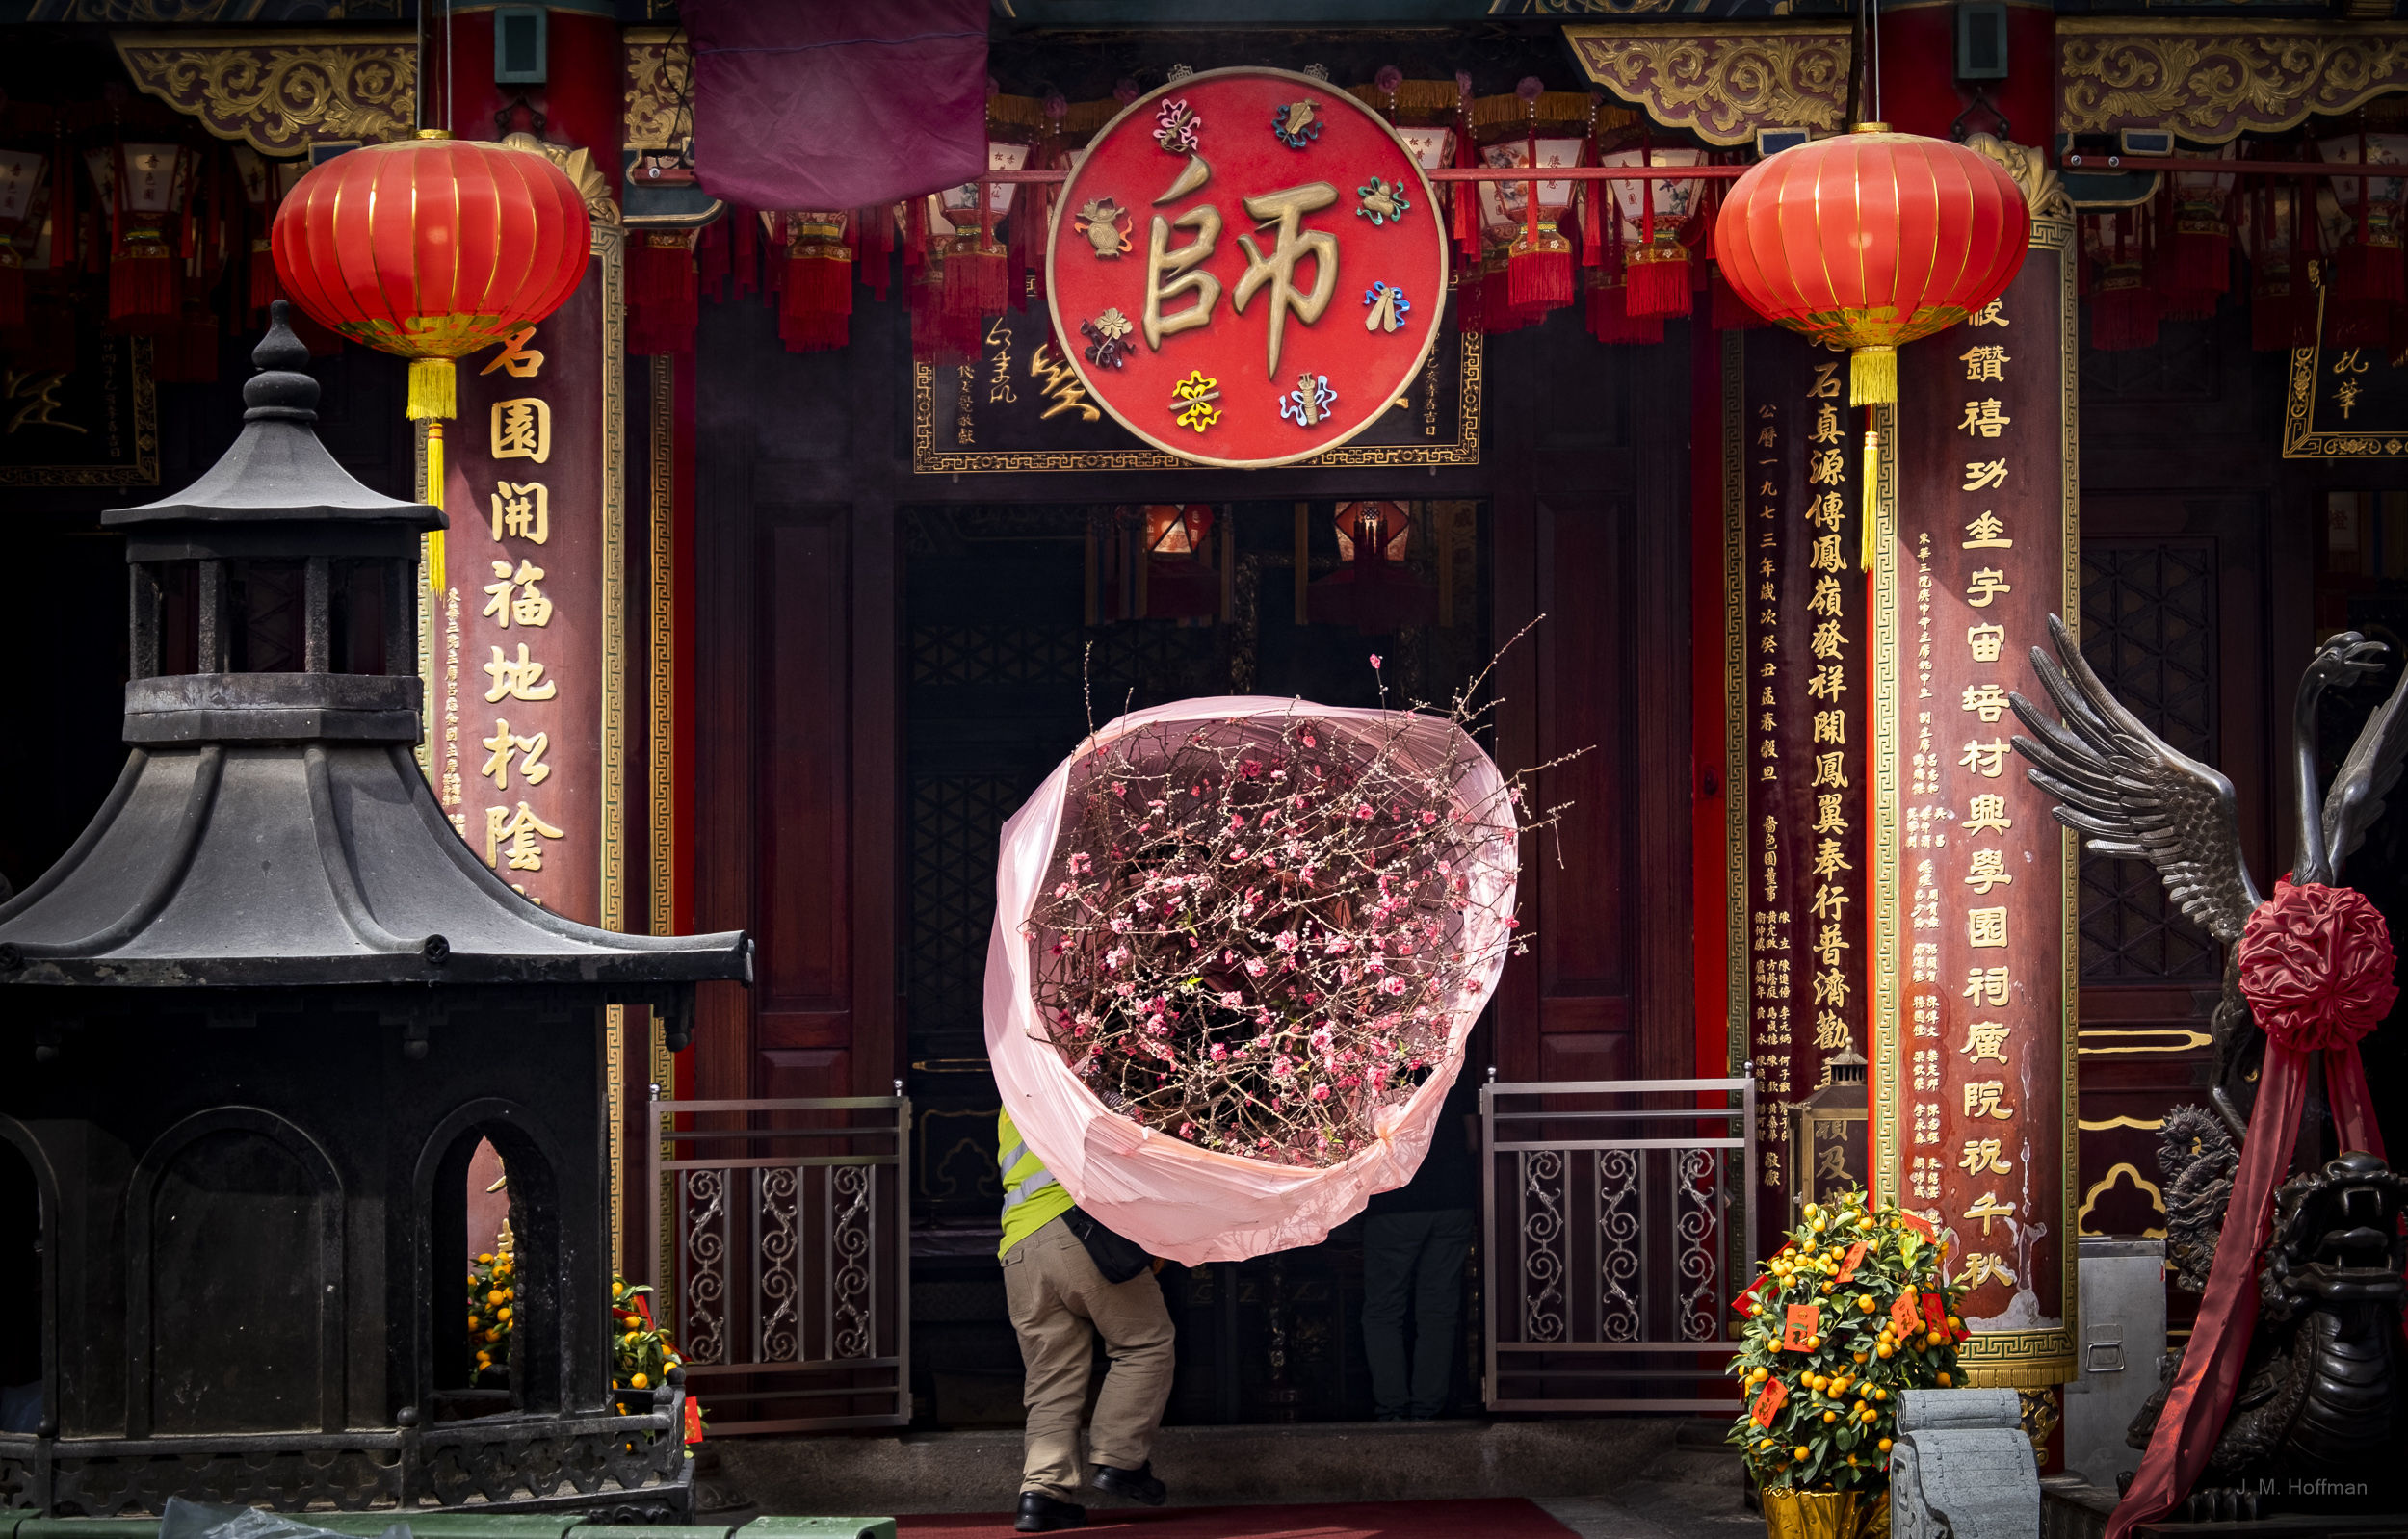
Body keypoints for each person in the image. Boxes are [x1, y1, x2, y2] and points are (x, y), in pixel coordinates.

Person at [997, 1108, 1176, 1532]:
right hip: (1078, 1229)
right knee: (1144, 1344)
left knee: (1051, 1379)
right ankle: (1121, 1460)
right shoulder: (1075, 1077)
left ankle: (1041, 1494)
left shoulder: (1011, 1095)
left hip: (1019, 1247)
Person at [1359, 1066, 1482, 1421]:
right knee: (1438, 1311)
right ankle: (1427, 1409)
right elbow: (1473, 1141)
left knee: (1384, 1310)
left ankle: (1392, 1409)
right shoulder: (1451, 1070)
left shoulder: (1374, 1076)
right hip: (1452, 1201)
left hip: (1394, 1204)